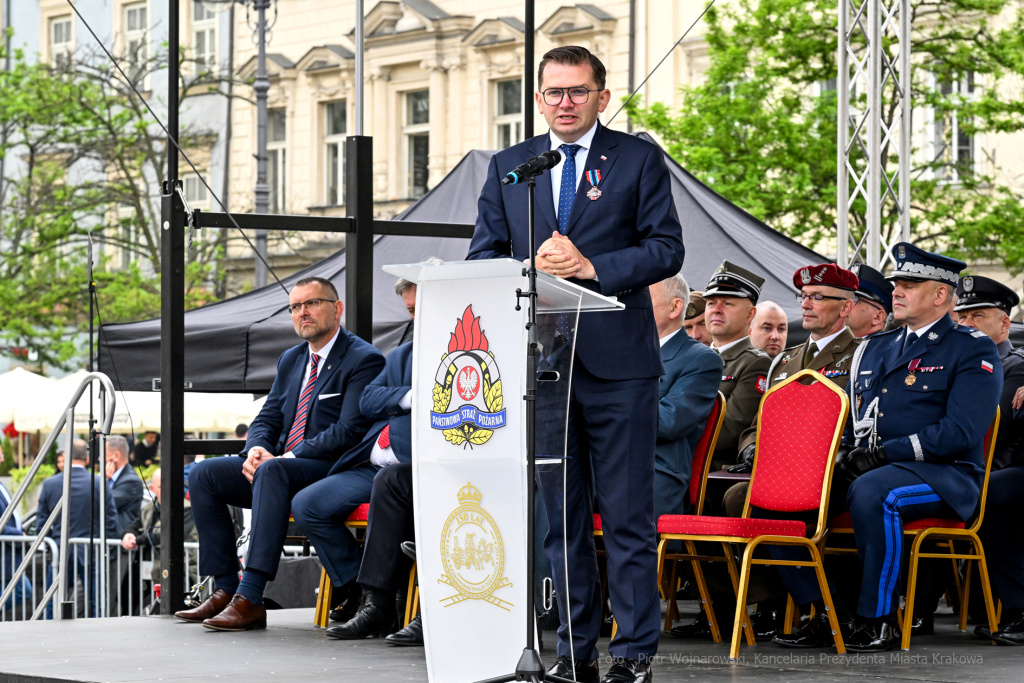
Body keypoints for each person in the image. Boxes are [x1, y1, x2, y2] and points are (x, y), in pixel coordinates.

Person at [467, 45, 684, 683]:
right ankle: (574, 651)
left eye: (578, 92)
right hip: (542, 367)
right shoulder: (512, 167)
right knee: (559, 518)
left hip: (619, 364)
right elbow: (484, 255)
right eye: (554, 92)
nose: (566, 103)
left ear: (602, 97)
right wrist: (525, 268)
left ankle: (636, 653)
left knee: (625, 516)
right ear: (537, 98)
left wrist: (593, 267)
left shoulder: (638, 158)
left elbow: (665, 248)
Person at [175, 276, 385, 631]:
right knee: (203, 475)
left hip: (333, 467)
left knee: (272, 473)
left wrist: (284, 458)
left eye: (312, 303)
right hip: (283, 469)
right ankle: (226, 587)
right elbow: (269, 415)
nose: (302, 312)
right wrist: (257, 448)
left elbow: (349, 431)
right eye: (295, 307)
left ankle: (251, 596)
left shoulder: (363, 359)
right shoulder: (291, 360)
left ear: (337, 309)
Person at [830, 243, 1001, 652]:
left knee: (876, 493)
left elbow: (959, 432)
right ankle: (824, 611)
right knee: (785, 496)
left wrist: (887, 453)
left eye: (909, 284)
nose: (897, 291)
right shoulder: (876, 346)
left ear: (940, 295)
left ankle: (878, 619)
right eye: (896, 284)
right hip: (877, 466)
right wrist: (846, 453)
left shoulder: (971, 347)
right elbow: (860, 418)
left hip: (947, 475)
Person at [718, 264, 862, 645]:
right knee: (739, 497)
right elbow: (757, 423)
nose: (808, 305)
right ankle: (782, 606)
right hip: (780, 472)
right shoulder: (786, 361)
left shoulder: (859, 356)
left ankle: (821, 610)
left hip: (831, 471)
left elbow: (856, 420)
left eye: (818, 297)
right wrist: (751, 449)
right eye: (805, 297)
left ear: (846, 308)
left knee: (756, 503)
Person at [298, 341, 416, 642]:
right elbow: (368, 400)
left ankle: (378, 604)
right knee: (308, 504)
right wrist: (408, 397)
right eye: (412, 310)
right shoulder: (403, 353)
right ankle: (356, 589)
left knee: (389, 483)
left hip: (411, 468)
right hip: (370, 462)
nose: (416, 315)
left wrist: (393, 402)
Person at [649, 272, 722, 515]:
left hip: (653, 474)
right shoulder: (618, 354)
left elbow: (668, 422)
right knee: (544, 481)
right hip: (605, 466)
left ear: (674, 307)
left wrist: (606, 410)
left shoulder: (700, 359)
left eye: (643, 298)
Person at [703, 261, 772, 473]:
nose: (716, 309)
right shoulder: (692, 357)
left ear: (750, 315)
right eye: (711, 303)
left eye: (727, 303)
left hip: (713, 472)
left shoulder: (755, 363)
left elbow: (728, 434)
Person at [36, 439, 118, 618]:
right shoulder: (98, 482)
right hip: (91, 550)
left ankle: (48, 634)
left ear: (65, 457)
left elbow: (41, 522)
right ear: (87, 459)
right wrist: (108, 551)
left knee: (53, 599)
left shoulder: (51, 484)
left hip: (60, 549)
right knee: (97, 602)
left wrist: (52, 544)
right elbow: (111, 520)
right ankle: (99, 634)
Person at [954, 276, 1024, 470]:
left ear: (1005, 324)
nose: (967, 324)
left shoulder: (1016, 367)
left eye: (978, 316)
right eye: (961, 317)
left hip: (983, 475)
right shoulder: (952, 365)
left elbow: (991, 434)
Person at [105, 435, 144, 536]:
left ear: (116, 456)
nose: (100, 459)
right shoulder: (111, 478)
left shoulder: (131, 482)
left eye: (103, 454)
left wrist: (102, 481)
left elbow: (105, 503)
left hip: (120, 543)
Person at [847, 264, 893, 338]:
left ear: (878, 317)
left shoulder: (886, 348)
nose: (844, 304)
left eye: (854, 299)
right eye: (843, 298)